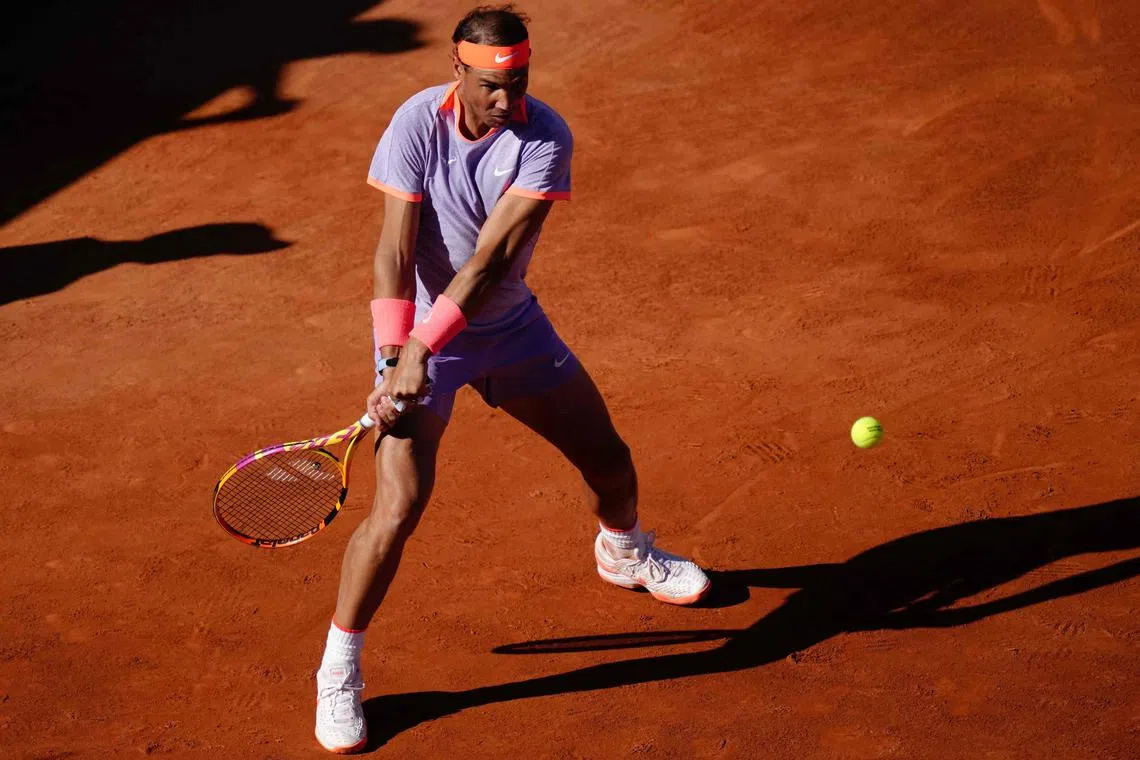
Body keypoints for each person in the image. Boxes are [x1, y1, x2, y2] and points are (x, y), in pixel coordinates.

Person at [313, 5, 711, 753]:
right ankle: (339, 668)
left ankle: (622, 551)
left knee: (609, 461)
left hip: (508, 329)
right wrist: (393, 352)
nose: (508, 99)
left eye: (519, 81)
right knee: (398, 506)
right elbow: (393, 252)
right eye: (493, 85)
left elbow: (490, 261)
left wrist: (420, 348)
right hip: (423, 343)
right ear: (457, 71)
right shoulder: (413, 124)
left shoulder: (544, 136)